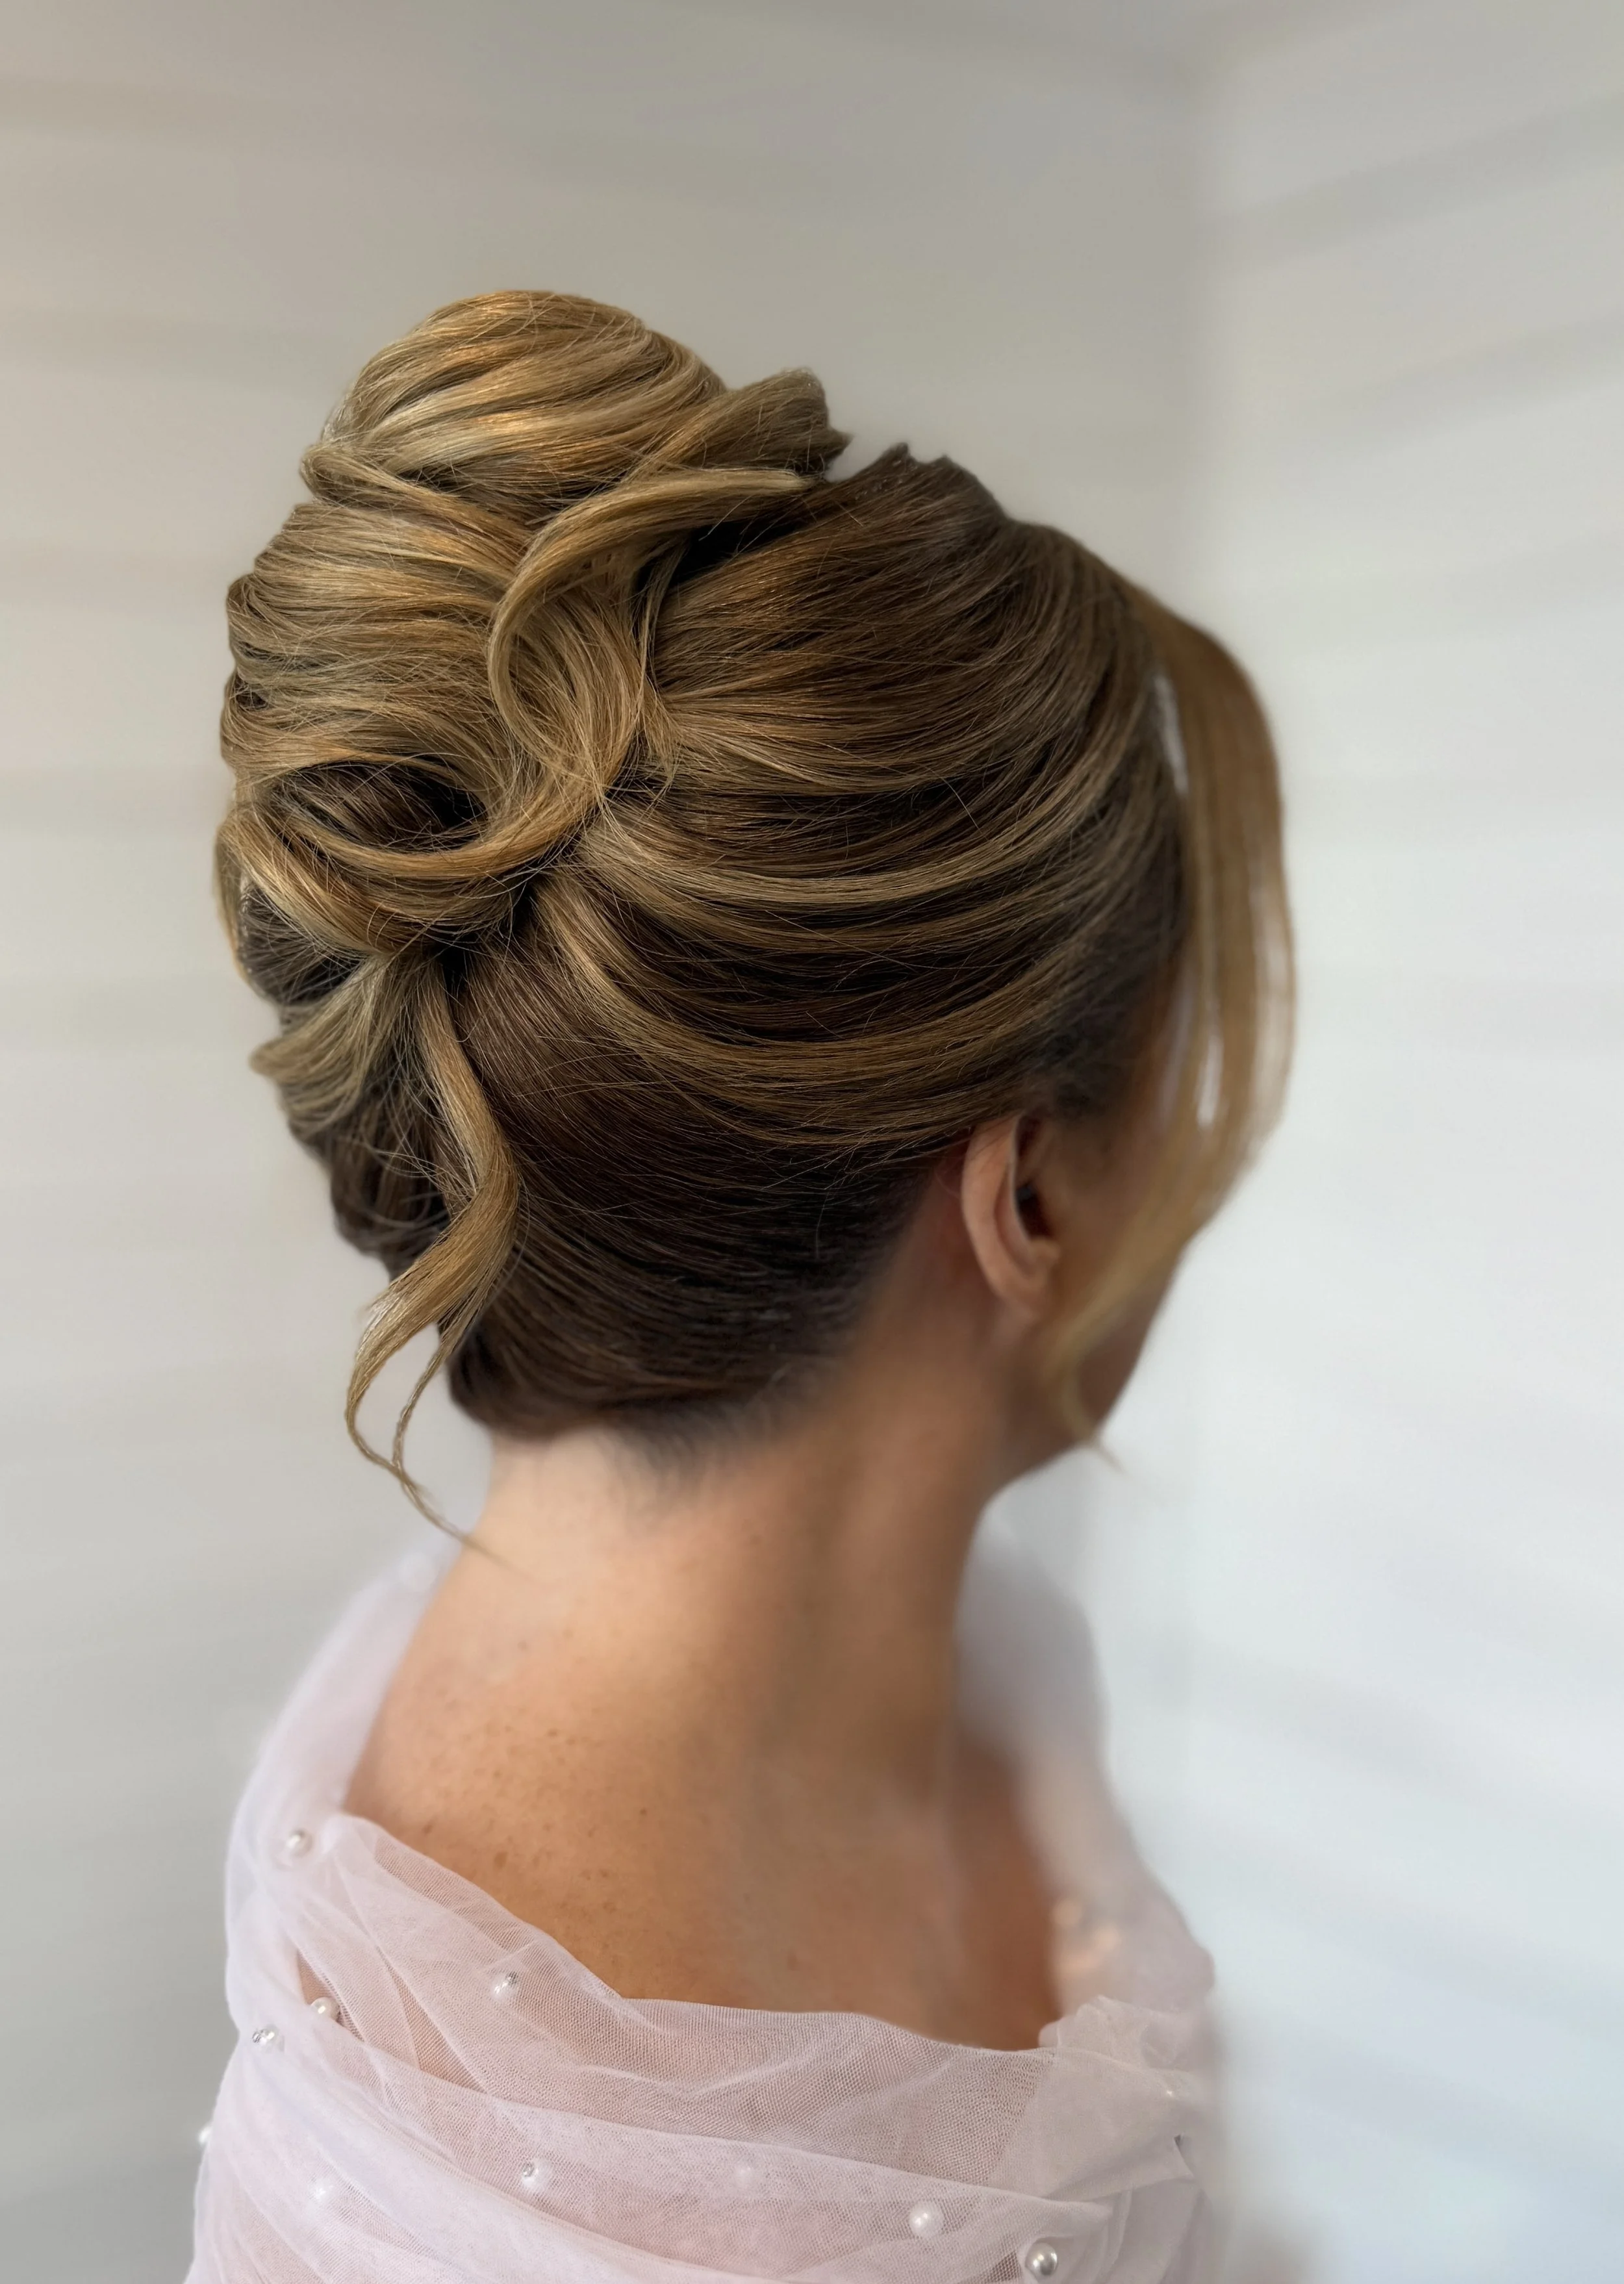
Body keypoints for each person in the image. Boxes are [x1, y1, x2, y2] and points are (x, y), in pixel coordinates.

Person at [190, 290, 1290, 2283]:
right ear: (1027, 1190)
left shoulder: (985, 1669)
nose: (1205, 1170)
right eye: (1179, 1085)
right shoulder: (476, 2174)